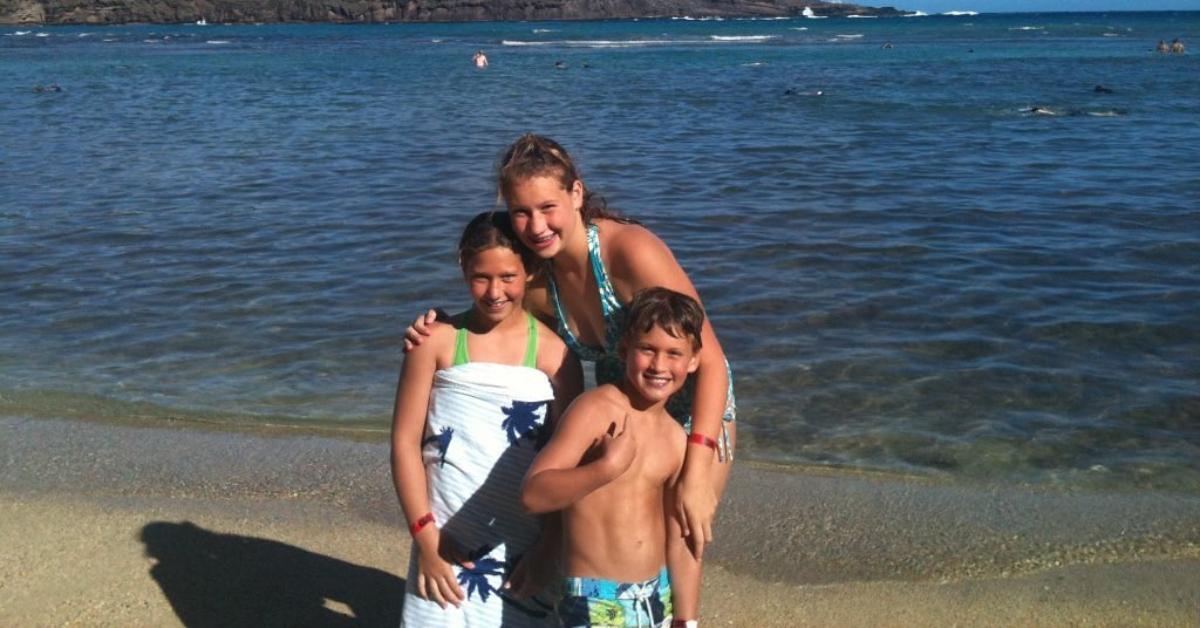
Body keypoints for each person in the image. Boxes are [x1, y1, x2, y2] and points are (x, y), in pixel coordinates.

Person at [406, 133, 736, 623]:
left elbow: (710, 359)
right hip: (624, 402)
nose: (536, 226)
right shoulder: (542, 281)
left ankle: (684, 620)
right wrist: (439, 324)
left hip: (697, 403)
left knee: (680, 522)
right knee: (612, 526)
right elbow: (498, 309)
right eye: (521, 212)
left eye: (548, 207)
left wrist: (697, 466)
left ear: (576, 194)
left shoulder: (628, 251)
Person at [391, 211, 583, 627]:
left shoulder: (556, 356)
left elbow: (567, 463)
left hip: (525, 540)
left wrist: (551, 544)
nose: (495, 292)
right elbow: (405, 443)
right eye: (481, 277)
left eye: (508, 277)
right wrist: (425, 535)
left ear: (530, 270)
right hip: (443, 528)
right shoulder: (436, 342)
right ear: (463, 266)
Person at [521, 287, 702, 628]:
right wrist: (604, 469)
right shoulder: (595, 410)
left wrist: (687, 619)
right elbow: (533, 494)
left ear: (693, 361)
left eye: (674, 353)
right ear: (624, 348)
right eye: (647, 349)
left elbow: (680, 539)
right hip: (595, 599)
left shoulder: (675, 437)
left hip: (657, 597)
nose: (659, 365)